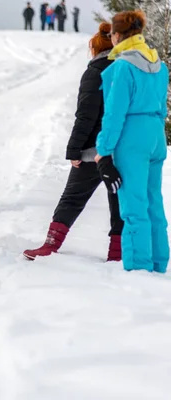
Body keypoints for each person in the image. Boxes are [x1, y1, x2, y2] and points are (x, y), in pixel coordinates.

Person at [24, 22, 123, 261]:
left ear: (96, 46)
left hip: (94, 149)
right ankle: (117, 253)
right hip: (122, 147)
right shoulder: (127, 68)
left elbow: (86, 114)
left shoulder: (96, 70)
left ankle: (50, 244)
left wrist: (74, 150)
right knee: (120, 200)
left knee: (72, 197)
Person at [94, 10, 169, 273]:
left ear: (116, 35)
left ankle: (139, 270)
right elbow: (163, 108)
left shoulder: (122, 67)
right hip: (155, 136)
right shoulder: (159, 65)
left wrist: (103, 151)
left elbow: (114, 114)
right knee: (153, 203)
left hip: (132, 138)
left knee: (133, 206)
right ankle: (159, 265)